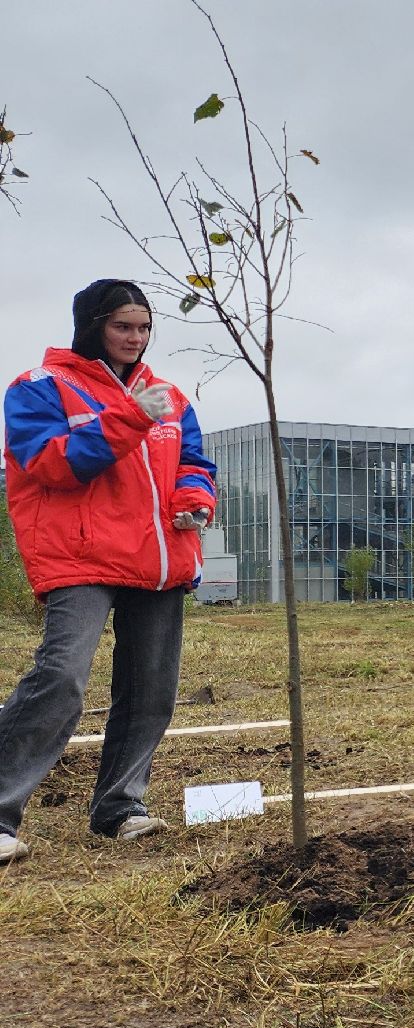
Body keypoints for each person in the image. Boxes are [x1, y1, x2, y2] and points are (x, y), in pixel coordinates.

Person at [0, 280, 216, 865]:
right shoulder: (39, 388)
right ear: (93, 325)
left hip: (157, 558)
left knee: (151, 689)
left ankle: (120, 808)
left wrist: (193, 500)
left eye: (144, 328)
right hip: (82, 558)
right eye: (124, 326)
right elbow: (51, 465)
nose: (136, 338)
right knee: (62, 679)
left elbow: (193, 462)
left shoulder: (166, 394)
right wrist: (125, 420)